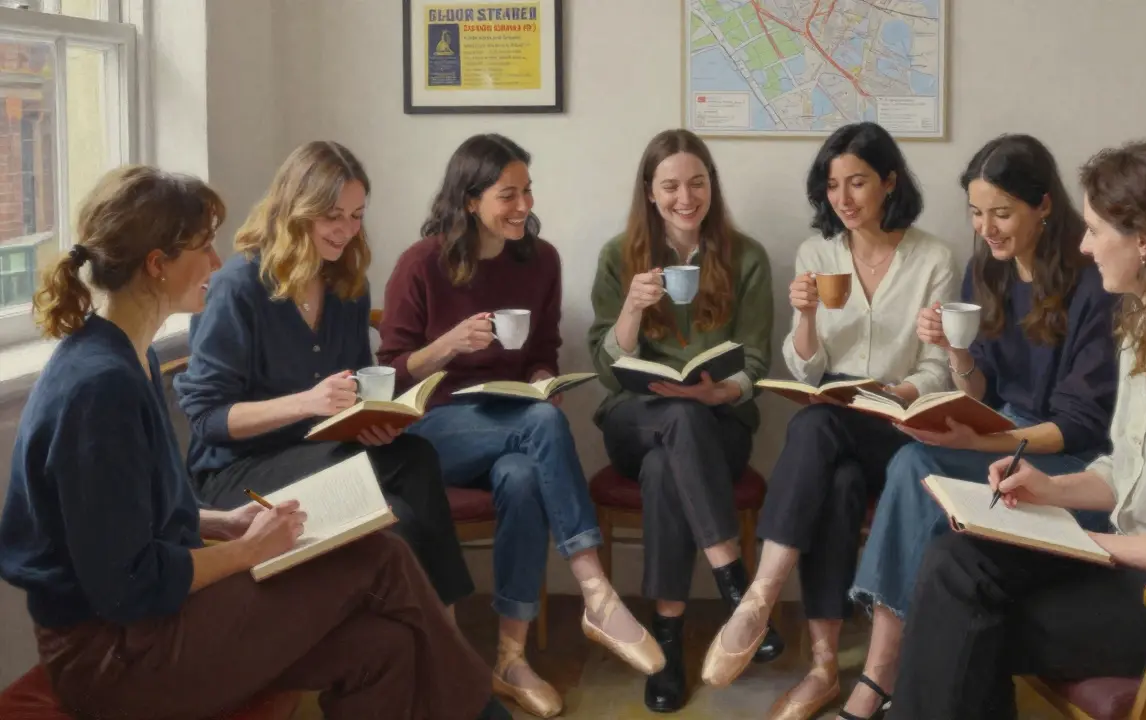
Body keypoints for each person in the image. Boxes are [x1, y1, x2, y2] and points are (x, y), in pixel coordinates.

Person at [0, 165, 508, 720]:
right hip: (114, 659)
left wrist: (224, 523)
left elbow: (127, 520)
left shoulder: (127, 356)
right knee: (380, 556)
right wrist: (248, 552)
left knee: (385, 648)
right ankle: (481, 712)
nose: (217, 262)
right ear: (157, 265)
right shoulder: (99, 388)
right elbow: (127, 587)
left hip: (144, 630)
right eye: (203, 246)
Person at [891, 139, 1146, 719]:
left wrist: (1089, 544)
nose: (1082, 244)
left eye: (1095, 230)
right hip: (1145, 569)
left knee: (969, 618)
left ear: (1143, 242)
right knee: (958, 558)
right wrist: (1049, 490)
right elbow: (1128, 470)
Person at [377, 133, 662, 719]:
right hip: (431, 434)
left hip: (512, 426)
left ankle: (510, 656)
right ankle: (597, 592)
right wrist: (448, 346)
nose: (523, 205)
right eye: (508, 195)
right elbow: (390, 376)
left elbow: (544, 350)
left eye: (527, 191)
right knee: (535, 426)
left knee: (524, 476)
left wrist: (541, 381)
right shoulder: (421, 264)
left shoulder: (541, 260)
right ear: (469, 199)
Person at [838, 134, 1121, 720]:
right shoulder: (985, 273)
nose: (985, 228)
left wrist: (979, 441)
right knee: (910, 456)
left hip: (1075, 464)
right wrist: (955, 352)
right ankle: (902, 673)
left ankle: (882, 673)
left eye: (1001, 213)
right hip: (1005, 435)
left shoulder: (1093, 283)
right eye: (975, 212)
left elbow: (1078, 426)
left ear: (1044, 205)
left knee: (915, 465)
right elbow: (980, 388)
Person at [700, 122, 957, 719]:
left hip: (899, 430)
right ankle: (822, 667)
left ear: (889, 182)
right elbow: (808, 369)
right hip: (837, 428)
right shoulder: (818, 254)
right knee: (831, 471)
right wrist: (806, 317)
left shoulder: (933, 258)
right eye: (833, 185)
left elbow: (940, 366)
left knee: (817, 429)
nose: (843, 198)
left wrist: (899, 390)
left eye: (858, 182)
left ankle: (757, 597)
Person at [173, 141, 475, 616]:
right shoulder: (240, 287)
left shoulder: (346, 285)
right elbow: (208, 417)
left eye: (356, 215)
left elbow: (351, 386)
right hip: (239, 470)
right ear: (297, 210)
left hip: (321, 449)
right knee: (398, 515)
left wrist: (368, 419)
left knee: (414, 455)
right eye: (333, 215)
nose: (347, 230)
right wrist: (306, 402)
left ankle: (445, 627)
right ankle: (424, 646)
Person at [587, 127, 782, 713]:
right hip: (633, 420)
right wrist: (630, 309)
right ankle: (740, 593)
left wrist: (719, 392)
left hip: (715, 426)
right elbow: (603, 365)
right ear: (650, 191)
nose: (685, 197)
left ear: (712, 187)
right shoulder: (617, 256)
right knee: (671, 419)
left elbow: (755, 360)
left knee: (666, 465)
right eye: (670, 185)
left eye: (697, 183)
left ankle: (666, 641)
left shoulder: (746, 257)